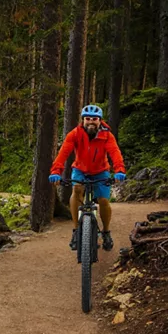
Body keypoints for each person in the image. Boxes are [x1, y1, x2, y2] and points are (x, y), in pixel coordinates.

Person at [48, 104, 126, 252]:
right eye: (88, 119)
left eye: (94, 119)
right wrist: (55, 172)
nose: (91, 121)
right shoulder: (75, 134)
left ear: (100, 121)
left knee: (103, 200)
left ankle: (106, 232)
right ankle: (77, 231)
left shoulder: (107, 135)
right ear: (83, 120)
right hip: (80, 169)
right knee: (77, 190)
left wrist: (119, 170)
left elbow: (115, 153)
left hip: (101, 170)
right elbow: (63, 154)